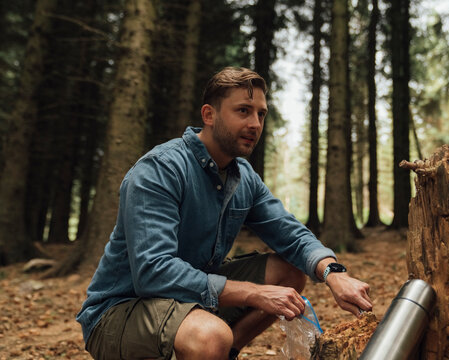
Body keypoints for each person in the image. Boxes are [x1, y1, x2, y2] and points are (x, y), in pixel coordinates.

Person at [77, 67, 372, 360]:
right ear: (209, 115)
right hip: (121, 311)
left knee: (290, 271)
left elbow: (289, 233)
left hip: (187, 298)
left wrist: (333, 273)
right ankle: (212, 346)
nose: (255, 123)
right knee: (211, 336)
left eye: (261, 114)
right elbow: (152, 272)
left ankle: (226, 353)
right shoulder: (160, 169)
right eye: (243, 111)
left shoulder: (243, 176)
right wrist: (254, 293)